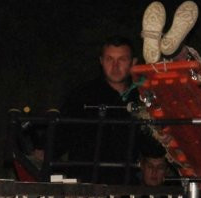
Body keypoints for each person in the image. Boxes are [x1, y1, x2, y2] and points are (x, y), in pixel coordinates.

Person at [58, 36, 146, 184]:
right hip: (88, 185)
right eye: (109, 59)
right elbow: (61, 135)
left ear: (133, 63)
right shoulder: (82, 95)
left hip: (129, 186)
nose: (115, 66)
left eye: (122, 59)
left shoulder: (143, 96)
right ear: (101, 61)